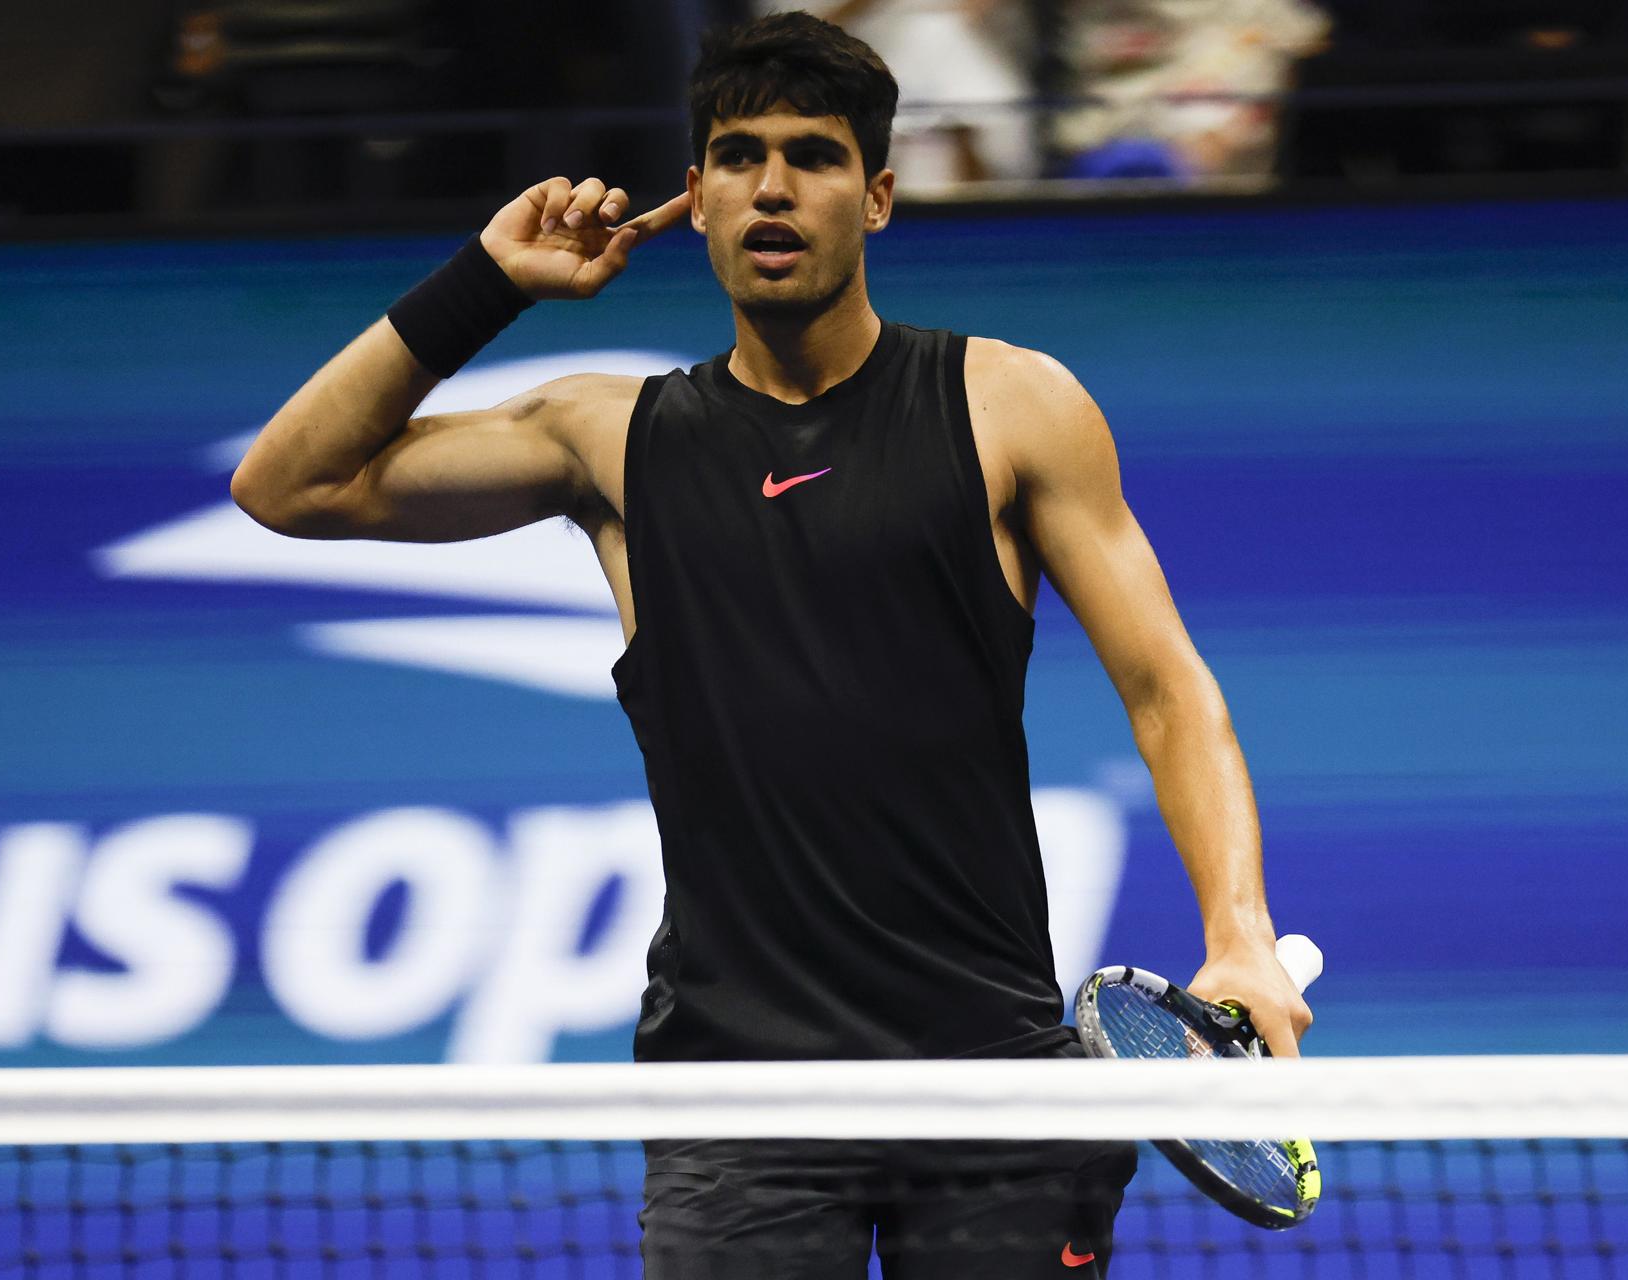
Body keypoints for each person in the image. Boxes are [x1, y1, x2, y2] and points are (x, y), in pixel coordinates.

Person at [231, 11, 1311, 1276]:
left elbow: (1166, 684)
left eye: (814, 154)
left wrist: (1237, 928)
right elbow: (287, 484)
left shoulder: (1011, 404)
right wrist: (488, 280)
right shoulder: (612, 438)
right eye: (738, 157)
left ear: (882, 196)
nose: (774, 186)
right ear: (695, 199)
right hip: (736, 1097)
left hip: (995, 1080)